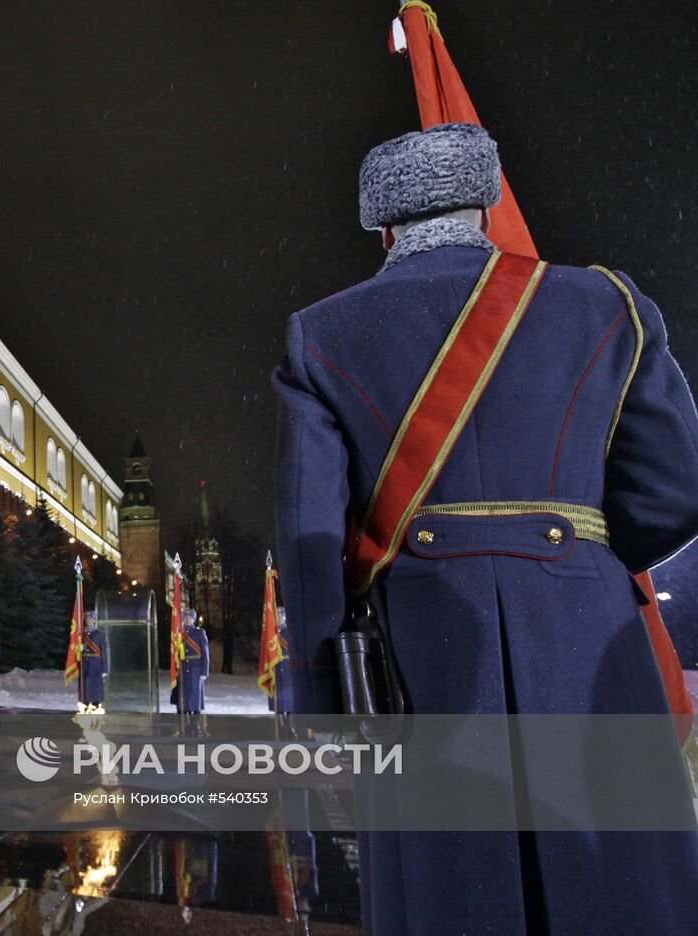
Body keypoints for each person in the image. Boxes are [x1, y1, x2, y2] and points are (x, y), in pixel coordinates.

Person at [274, 122, 698, 934]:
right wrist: (582, 561)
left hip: (422, 666)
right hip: (589, 647)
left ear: (382, 224)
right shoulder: (607, 305)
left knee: (450, 894)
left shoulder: (322, 336)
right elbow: (677, 484)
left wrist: (328, 703)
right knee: (623, 893)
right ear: (488, 199)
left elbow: (308, 540)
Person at [175, 608, 209, 715]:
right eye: (186, 617)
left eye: (190, 618)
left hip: (196, 667)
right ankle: (184, 721)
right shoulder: (179, 633)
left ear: (194, 619)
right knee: (184, 693)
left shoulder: (200, 633)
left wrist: (204, 672)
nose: (188, 620)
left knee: (195, 693)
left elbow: (205, 653)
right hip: (183, 667)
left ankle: (196, 723)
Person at [80, 612, 106, 708]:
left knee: (95, 689)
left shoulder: (100, 635)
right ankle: (85, 707)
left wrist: (104, 669)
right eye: (87, 619)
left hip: (96, 665)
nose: (89, 621)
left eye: (91, 619)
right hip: (85, 664)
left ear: (95, 620)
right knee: (85, 688)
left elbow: (104, 652)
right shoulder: (82, 635)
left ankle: (95, 708)